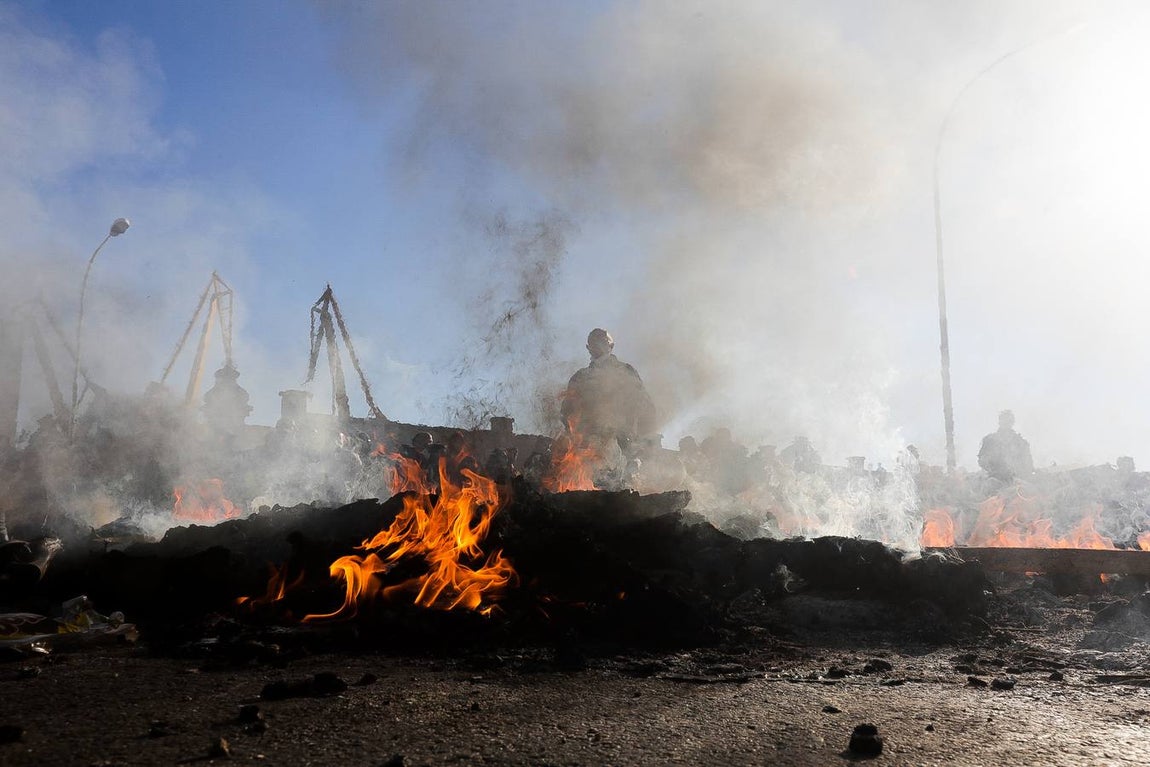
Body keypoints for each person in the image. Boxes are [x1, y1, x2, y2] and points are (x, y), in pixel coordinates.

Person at [560, 328, 656, 451]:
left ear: (611, 345)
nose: (598, 344)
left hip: (622, 443)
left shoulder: (626, 371)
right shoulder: (580, 377)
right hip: (586, 446)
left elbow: (645, 405)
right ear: (588, 347)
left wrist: (639, 440)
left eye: (602, 341)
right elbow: (567, 411)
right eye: (594, 341)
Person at [977, 410, 1034, 482]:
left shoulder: (1021, 443)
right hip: (994, 478)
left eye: (1008, 420)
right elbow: (982, 459)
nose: (1006, 423)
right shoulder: (990, 440)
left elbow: (1028, 463)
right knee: (989, 485)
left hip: (1017, 480)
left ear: (1012, 422)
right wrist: (994, 470)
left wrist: (1020, 472)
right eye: (1004, 420)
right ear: (1000, 421)